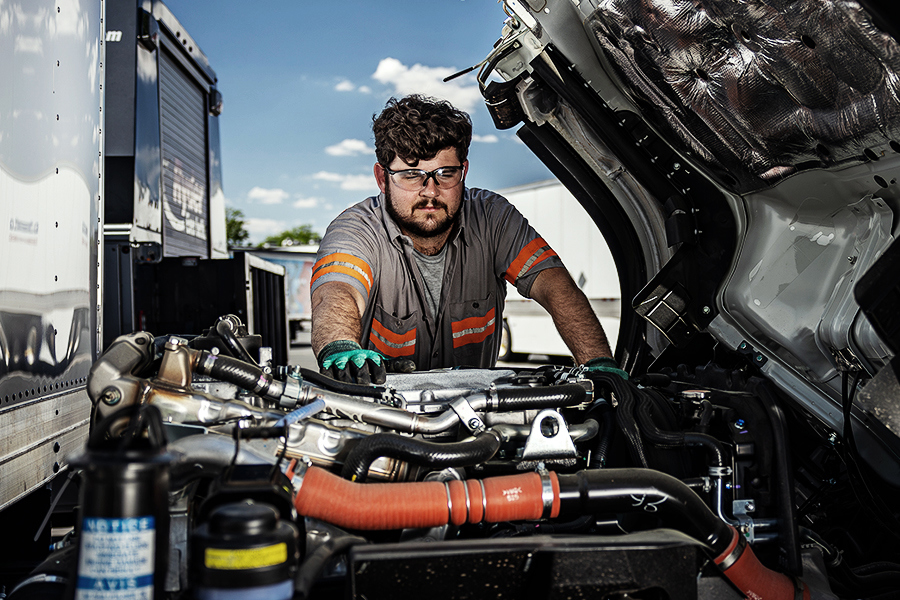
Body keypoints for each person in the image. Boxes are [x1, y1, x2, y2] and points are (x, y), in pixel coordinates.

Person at [310, 94, 624, 384]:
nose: (430, 192)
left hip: (478, 419)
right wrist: (339, 344)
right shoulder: (355, 229)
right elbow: (337, 292)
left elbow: (555, 287)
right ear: (382, 178)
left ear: (464, 172)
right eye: (411, 175)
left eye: (445, 173)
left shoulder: (494, 220)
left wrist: (598, 363)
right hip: (382, 418)